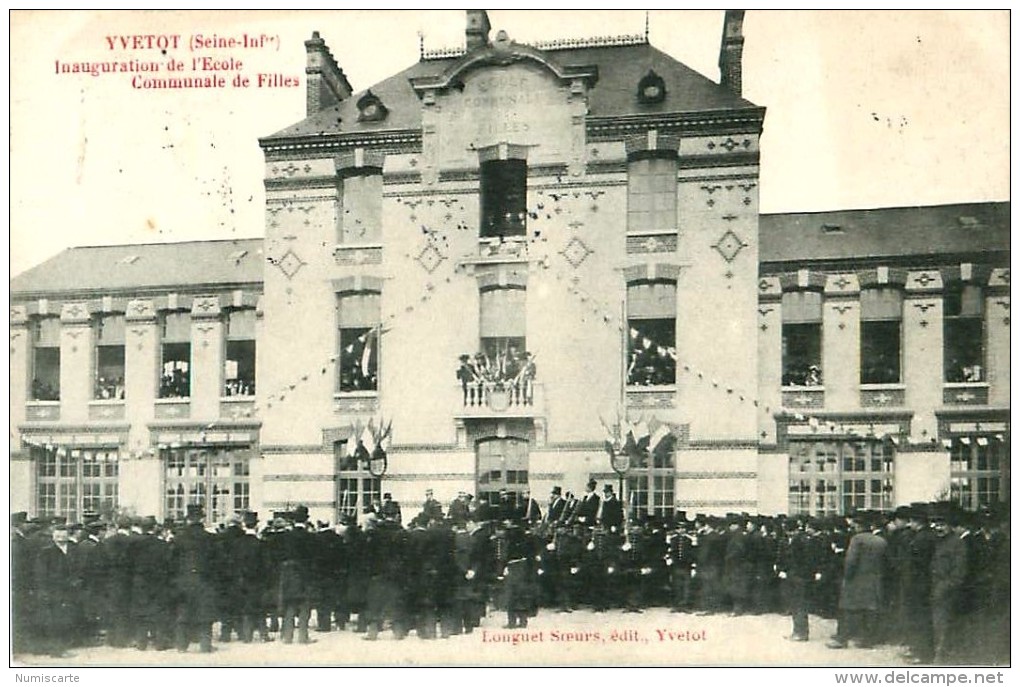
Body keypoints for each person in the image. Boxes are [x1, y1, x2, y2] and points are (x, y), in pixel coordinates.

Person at [827, 514, 888, 650]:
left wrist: (847, 576)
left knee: (847, 609)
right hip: (874, 579)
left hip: (856, 579)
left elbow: (851, 561)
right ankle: (866, 640)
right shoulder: (881, 541)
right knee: (870, 610)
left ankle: (842, 639)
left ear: (859, 527)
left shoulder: (856, 539)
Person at [171, 505, 219, 653]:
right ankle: (205, 645)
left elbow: (172, 561)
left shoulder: (178, 539)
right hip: (205, 580)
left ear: (188, 518)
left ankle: (181, 645)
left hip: (183, 579)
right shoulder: (210, 538)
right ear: (202, 518)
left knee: (183, 612)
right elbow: (217, 562)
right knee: (205, 613)